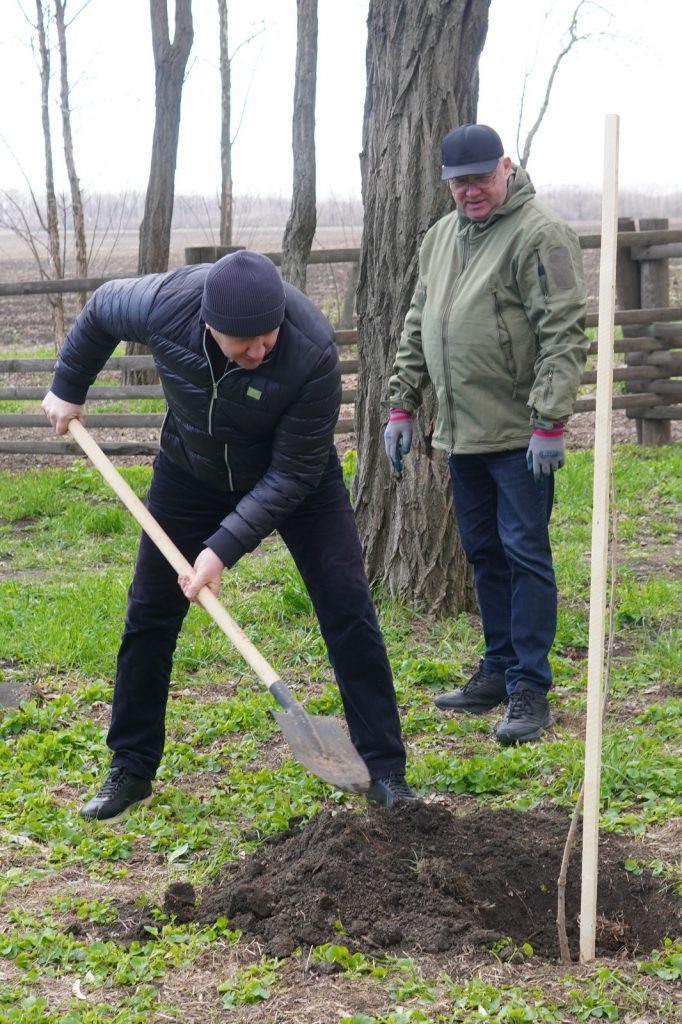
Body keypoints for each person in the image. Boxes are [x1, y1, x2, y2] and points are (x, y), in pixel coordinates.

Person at [43, 249, 417, 820]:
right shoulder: (167, 305)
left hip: (298, 480)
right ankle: (131, 767)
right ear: (209, 323)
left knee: (347, 607)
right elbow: (99, 312)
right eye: (245, 342)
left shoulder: (313, 349)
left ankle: (386, 769)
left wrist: (219, 550)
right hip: (191, 468)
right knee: (150, 611)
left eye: (268, 337)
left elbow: (291, 475)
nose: (260, 351)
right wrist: (69, 385)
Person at [384, 123, 588, 745]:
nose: (470, 191)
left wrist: (550, 420)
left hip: (520, 435)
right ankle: (498, 668)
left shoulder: (539, 234)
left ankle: (530, 686)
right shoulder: (441, 237)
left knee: (525, 554)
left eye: (479, 178)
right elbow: (418, 321)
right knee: (483, 553)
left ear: (506, 167)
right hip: (462, 433)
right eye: (458, 183)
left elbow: (562, 333)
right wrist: (401, 404)